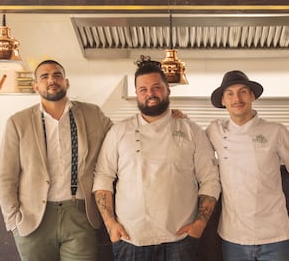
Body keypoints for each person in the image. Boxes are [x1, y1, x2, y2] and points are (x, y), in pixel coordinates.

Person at [92, 56, 220, 261]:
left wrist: (200, 224)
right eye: (143, 89)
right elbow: (103, 177)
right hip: (131, 238)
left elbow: (210, 179)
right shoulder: (119, 131)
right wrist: (111, 225)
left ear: (168, 89)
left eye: (156, 87)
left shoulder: (191, 131)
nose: (150, 94)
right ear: (136, 94)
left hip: (180, 240)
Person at [0, 60, 113, 261]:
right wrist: (13, 221)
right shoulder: (18, 122)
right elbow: (6, 176)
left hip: (80, 214)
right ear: (36, 86)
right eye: (44, 76)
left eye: (57, 75)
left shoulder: (93, 114)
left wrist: (164, 117)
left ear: (66, 82)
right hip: (34, 219)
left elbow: (122, 138)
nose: (52, 80)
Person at [206, 70, 289, 261]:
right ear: (223, 101)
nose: (237, 98)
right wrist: (176, 118)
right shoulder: (215, 130)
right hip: (234, 237)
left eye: (243, 91)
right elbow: (191, 146)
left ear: (252, 95)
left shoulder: (275, 131)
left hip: (275, 235)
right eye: (230, 93)